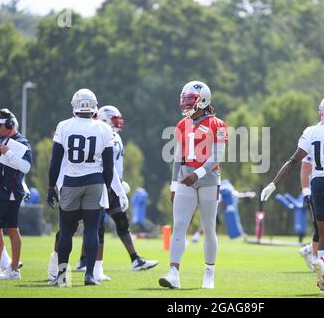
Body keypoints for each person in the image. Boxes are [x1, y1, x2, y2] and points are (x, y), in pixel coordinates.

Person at [261, 94, 324, 294]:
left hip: (317, 185)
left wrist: (273, 184)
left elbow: (293, 161)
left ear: (323, 111)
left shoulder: (311, 131)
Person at [69, 105, 158, 279]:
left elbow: (116, 166)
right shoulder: (101, 135)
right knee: (91, 224)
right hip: (99, 185)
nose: (118, 122)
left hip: (112, 186)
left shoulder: (115, 136)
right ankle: (86, 263)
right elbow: (105, 164)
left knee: (120, 221)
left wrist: (119, 184)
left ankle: (134, 259)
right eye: (114, 119)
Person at [159, 80, 228, 289]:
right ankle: (173, 273)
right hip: (185, 178)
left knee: (208, 228)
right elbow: (178, 157)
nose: (186, 104)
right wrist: (173, 184)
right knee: (179, 226)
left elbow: (218, 155)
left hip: (208, 180)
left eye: (190, 100)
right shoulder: (182, 124)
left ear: (203, 100)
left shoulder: (218, 124)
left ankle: (209, 273)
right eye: (185, 100)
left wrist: (197, 174)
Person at [46, 88, 114, 286]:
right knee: (92, 230)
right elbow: (108, 166)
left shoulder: (64, 126)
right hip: (95, 182)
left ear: (74, 106)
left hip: (72, 181)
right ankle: (90, 275)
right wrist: (107, 188)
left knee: (66, 230)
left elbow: (55, 161)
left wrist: (51, 187)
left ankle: (61, 276)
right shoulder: (104, 128)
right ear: (94, 107)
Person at [0, 109, 32, 280]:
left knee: (12, 229)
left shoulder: (22, 142)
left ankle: (14, 269)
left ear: (9, 125)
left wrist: (8, 152)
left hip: (11, 193)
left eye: (0, 126)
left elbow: (26, 167)